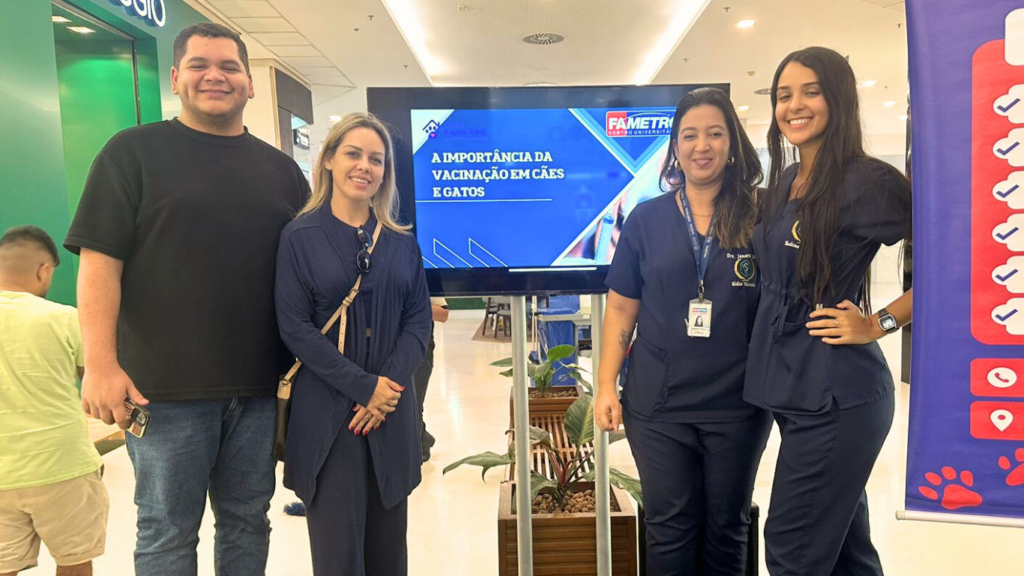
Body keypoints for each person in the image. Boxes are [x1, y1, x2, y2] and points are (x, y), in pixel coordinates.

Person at [64, 23, 309, 576]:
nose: (214, 76)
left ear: (249, 83)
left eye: (229, 66)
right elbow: (99, 265)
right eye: (199, 65)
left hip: (259, 388)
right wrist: (99, 365)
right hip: (160, 391)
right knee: (167, 533)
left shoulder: (281, 171)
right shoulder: (131, 153)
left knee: (248, 522)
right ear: (175, 78)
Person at [745, 47, 912, 576]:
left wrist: (879, 323)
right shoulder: (786, 181)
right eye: (783, 95)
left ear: (838, 98)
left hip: (838, 393)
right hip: (791, 383)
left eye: (810, 92)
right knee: (844, 552)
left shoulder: (869, 182)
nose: (794, 105)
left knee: (792, 548)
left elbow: (956, 259)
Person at [594, 87, 772, 575]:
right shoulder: (647, 219)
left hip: (739, 403)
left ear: (732, 143)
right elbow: (621, 308)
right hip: (658, 404)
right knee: (669, 528)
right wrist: (606, 383)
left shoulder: (761, 215)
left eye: (715, 133)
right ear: (675, 146)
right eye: (689, 135)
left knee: (727, 527)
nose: (702, 146)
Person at [275, 112, 431, 576]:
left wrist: (386, 390)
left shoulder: (402, 243)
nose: (365, 166)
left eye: (376, 159)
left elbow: (418, 322)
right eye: (353, 154)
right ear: (327, 160)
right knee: (338, 556)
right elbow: (295, 327)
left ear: (385, 173)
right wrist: (364, 387)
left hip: (390, 412)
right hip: (329, 416)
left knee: (389, 553)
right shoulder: (298, 237)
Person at [0, 226, 109, 576]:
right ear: (43, 270)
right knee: (74, 561)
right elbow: (96, 380)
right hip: (63, 466)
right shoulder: (63, 318)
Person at [414, 297, 449, 462]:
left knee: (415, 402)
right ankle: (423, 437)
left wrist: (410, 305)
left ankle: (421, 445)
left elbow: (443, 314)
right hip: (391, 351)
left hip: (421, 351)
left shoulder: (425, 283)